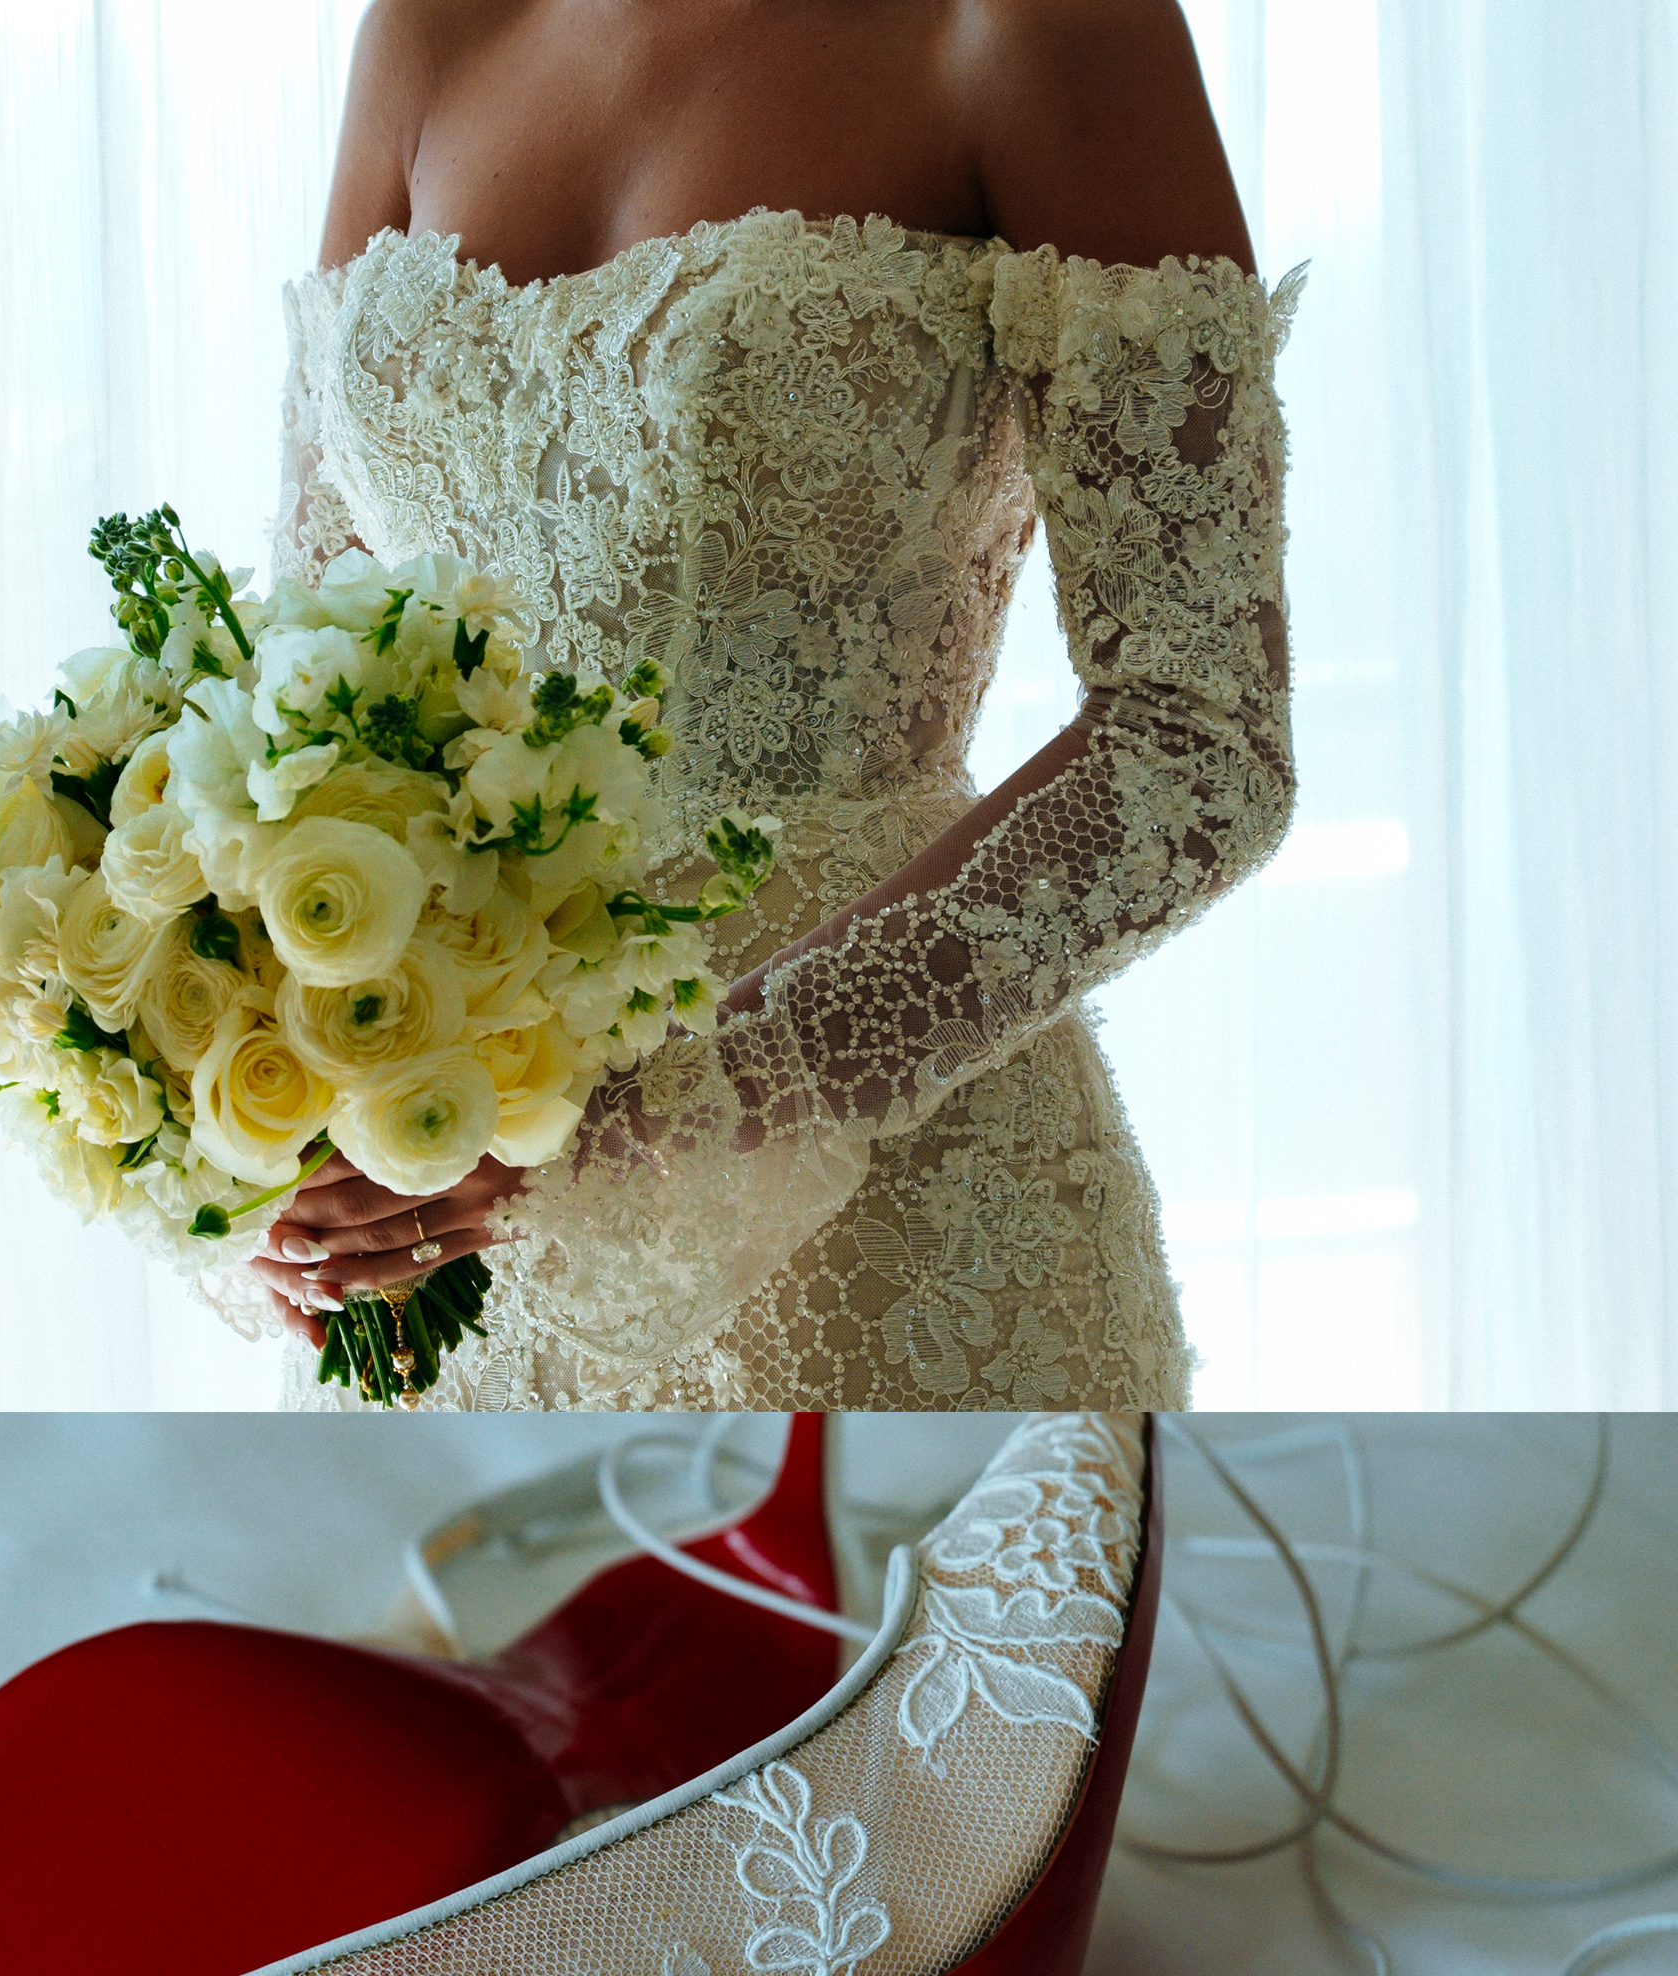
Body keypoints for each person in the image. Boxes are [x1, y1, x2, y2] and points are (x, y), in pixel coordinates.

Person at [234, 0, 1297, 1409]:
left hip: (883, 1222)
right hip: (438, 1232)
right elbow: (308, 677)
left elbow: (1198, 743)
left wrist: (689, 1108)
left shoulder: (1042, 27)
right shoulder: (425, 34)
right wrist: (266, 1119)